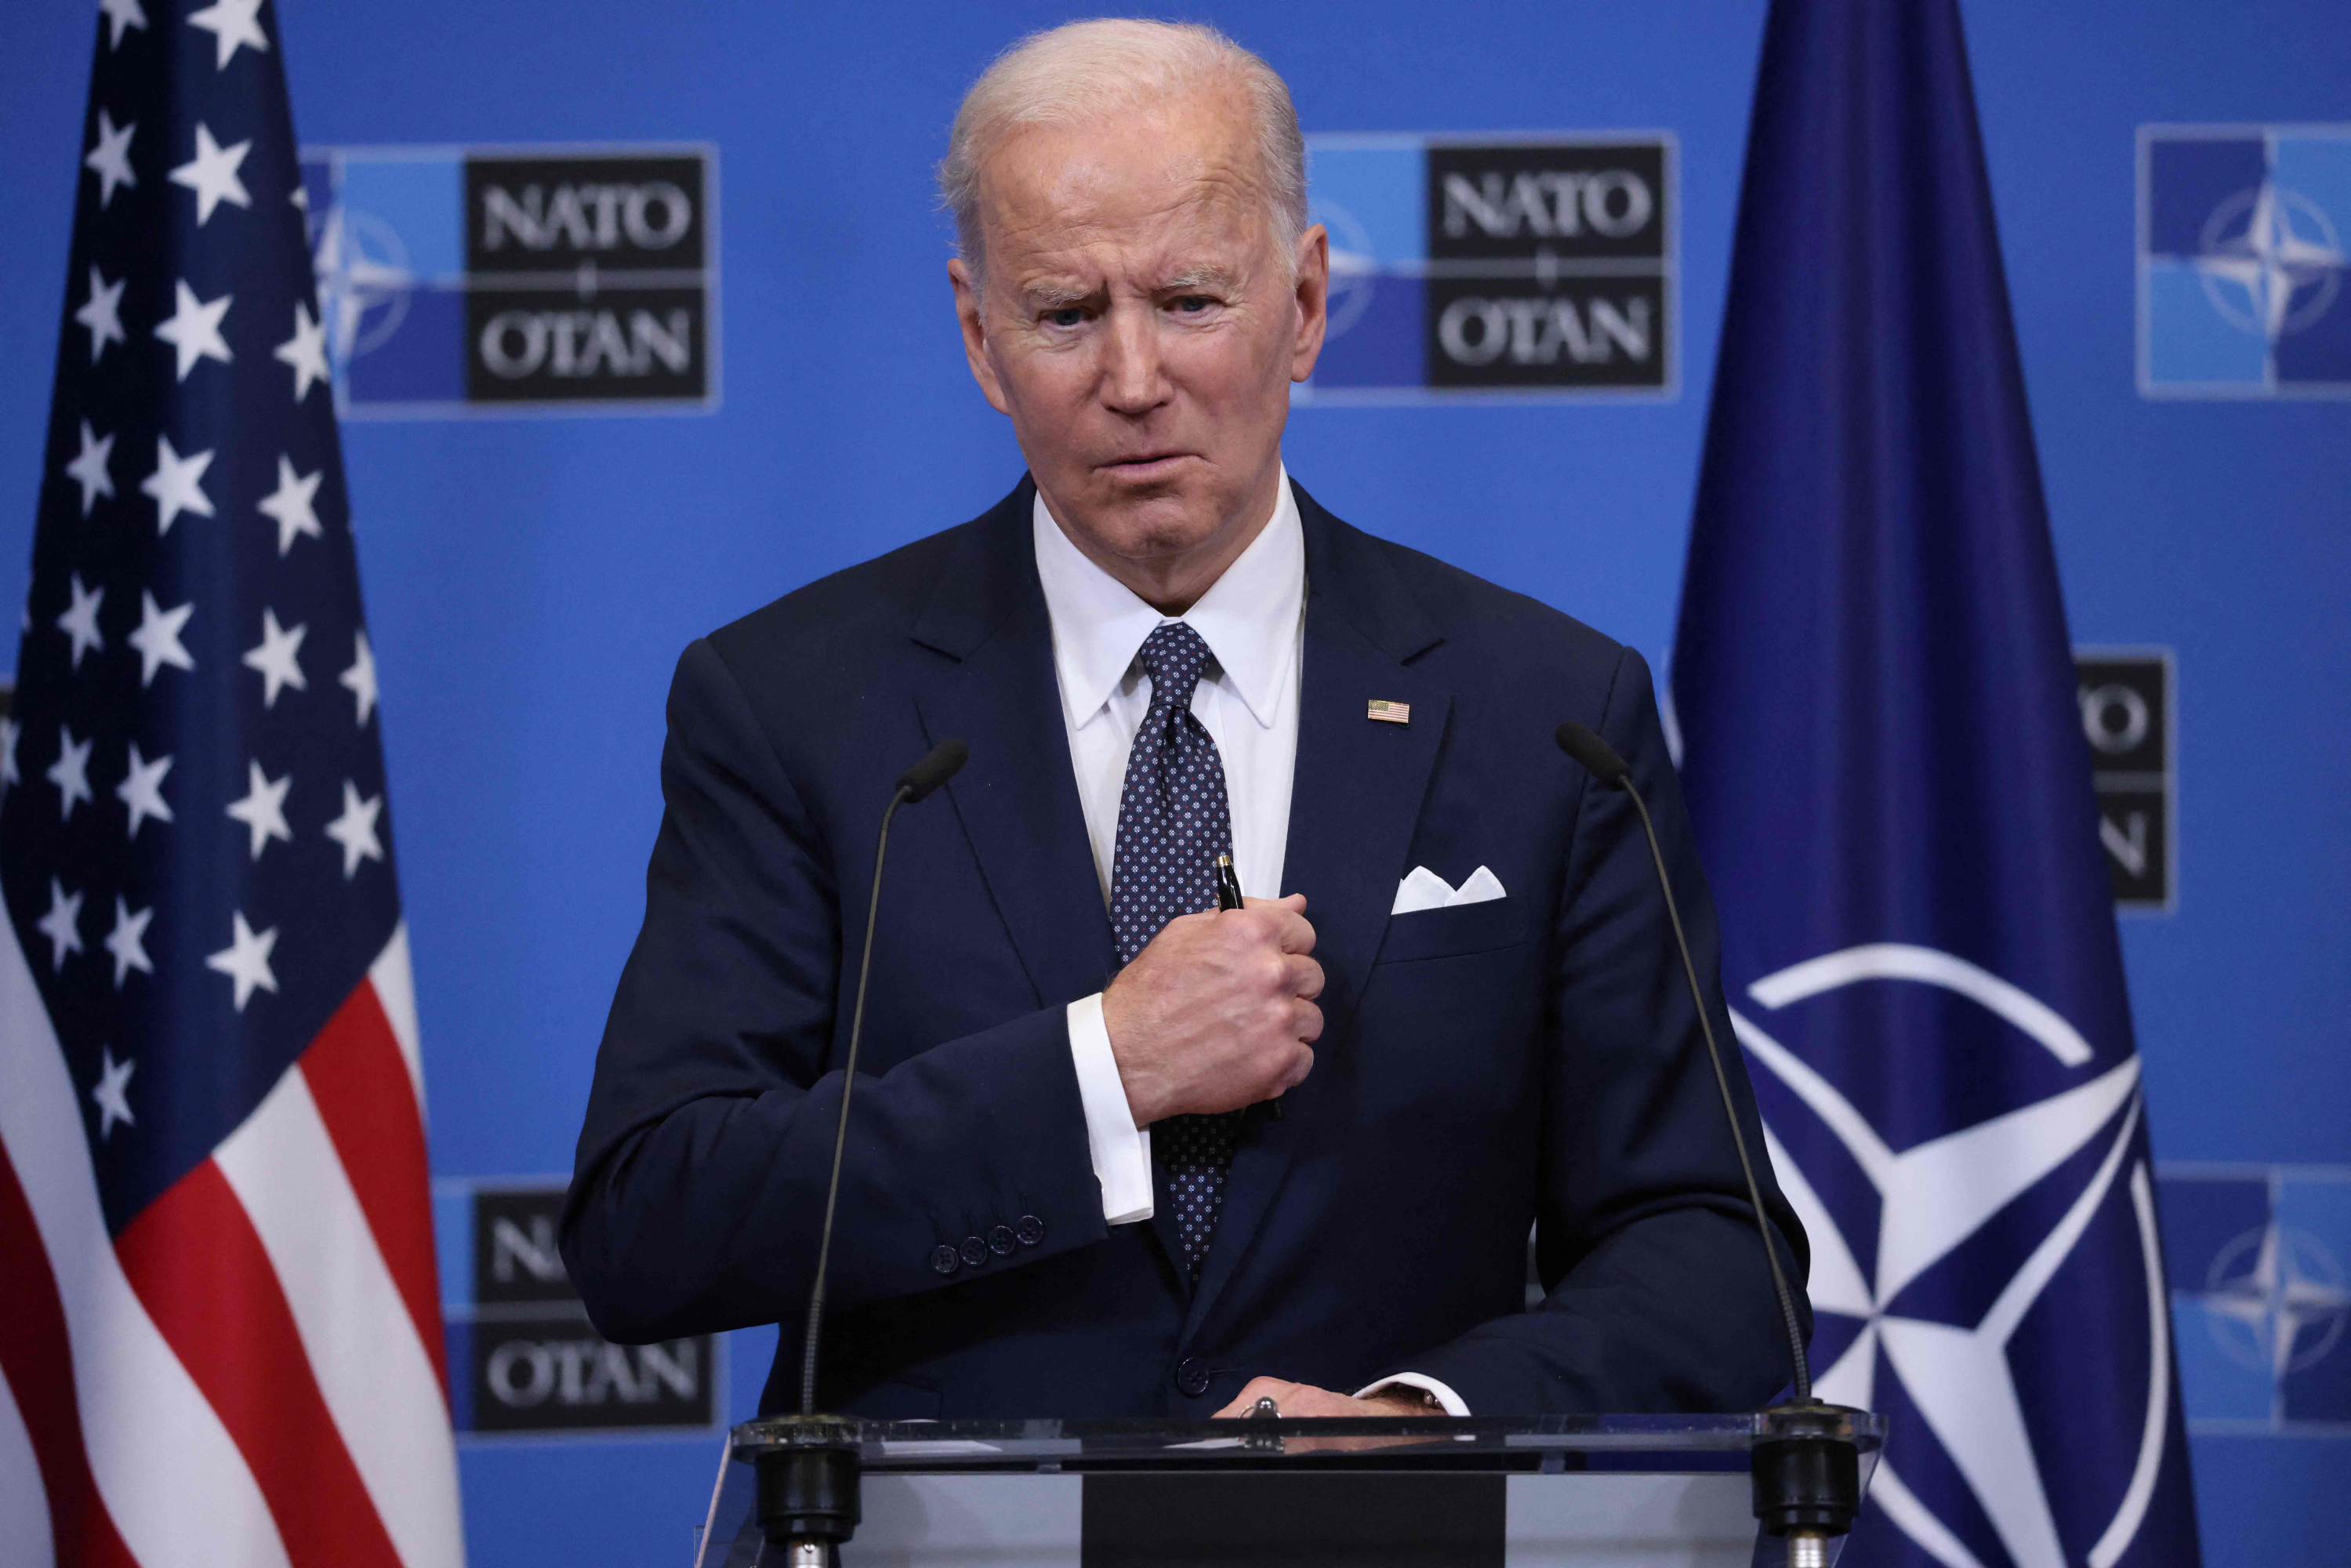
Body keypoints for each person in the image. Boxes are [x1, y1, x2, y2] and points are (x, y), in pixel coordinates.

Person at [561, 18, 1806, 1421]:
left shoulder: (1548, 711)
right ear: (982, 338)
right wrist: (1102, 1067)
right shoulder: (797, 702)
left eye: (1193, 300)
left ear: (1310, 302)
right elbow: (649, 1227)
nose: (1136, 379)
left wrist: (1421, 1424)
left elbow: (1719, 1257)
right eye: (1067, 314)